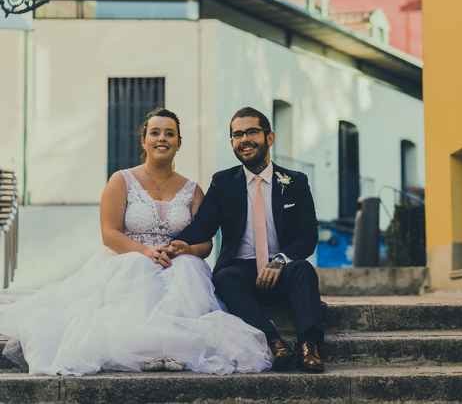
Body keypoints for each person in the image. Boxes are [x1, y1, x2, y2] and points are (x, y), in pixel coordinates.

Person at [0, 108, 272, 375]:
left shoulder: (193, 190)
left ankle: (172, 348)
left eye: (169, 133)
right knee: (136, 270)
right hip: (129, 259)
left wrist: (187, 248)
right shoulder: (122, 180)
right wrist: (145, 252)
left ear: (179, 142)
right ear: (144, 140)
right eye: (155, 133)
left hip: (178, 264)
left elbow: (206, 242)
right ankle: (140, 350)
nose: (161, 138)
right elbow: (109, 233)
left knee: (189, 270)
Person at [172, 107, 324, 373]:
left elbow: (308, 237)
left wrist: (281, 260)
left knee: (304, 271)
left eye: (252, 132)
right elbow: (201, 227)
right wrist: (173, 245)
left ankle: (309, 345)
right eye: (237, 134)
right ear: (232, 142)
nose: (244, 140)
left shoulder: (295, 181)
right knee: (224, 277)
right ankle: (273, 341)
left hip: (283, 269)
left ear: (270, 137)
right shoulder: (223, 182)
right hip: (241, 272)